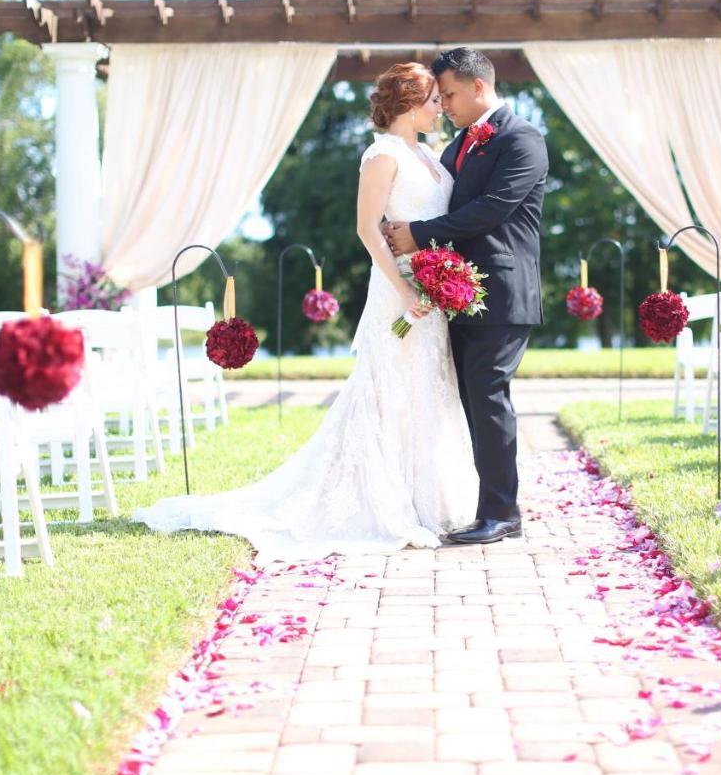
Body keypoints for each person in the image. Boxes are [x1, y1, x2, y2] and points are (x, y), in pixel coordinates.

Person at [135, 62, 477, 560]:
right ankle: (389, 504)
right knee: (393, 393)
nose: (439, 107)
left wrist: (441, 276)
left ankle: (429, 499)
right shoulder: (382, 155)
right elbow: (367, 229)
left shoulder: (429, 154)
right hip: (398, 292)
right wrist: (403, 289)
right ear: (408, 102)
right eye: (431, 100)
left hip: (433, 291)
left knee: (429, 390)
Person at [384, 47, 549, 545]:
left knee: (488, 395)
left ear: (479, 87)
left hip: (503, 292)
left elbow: (491, 210)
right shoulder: (456, 147)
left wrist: (418, 233)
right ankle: (482, 505)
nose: (445, 103)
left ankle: (503, 512)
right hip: (454, 294)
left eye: (450, 93)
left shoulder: (523, 139)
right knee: (470, 401)